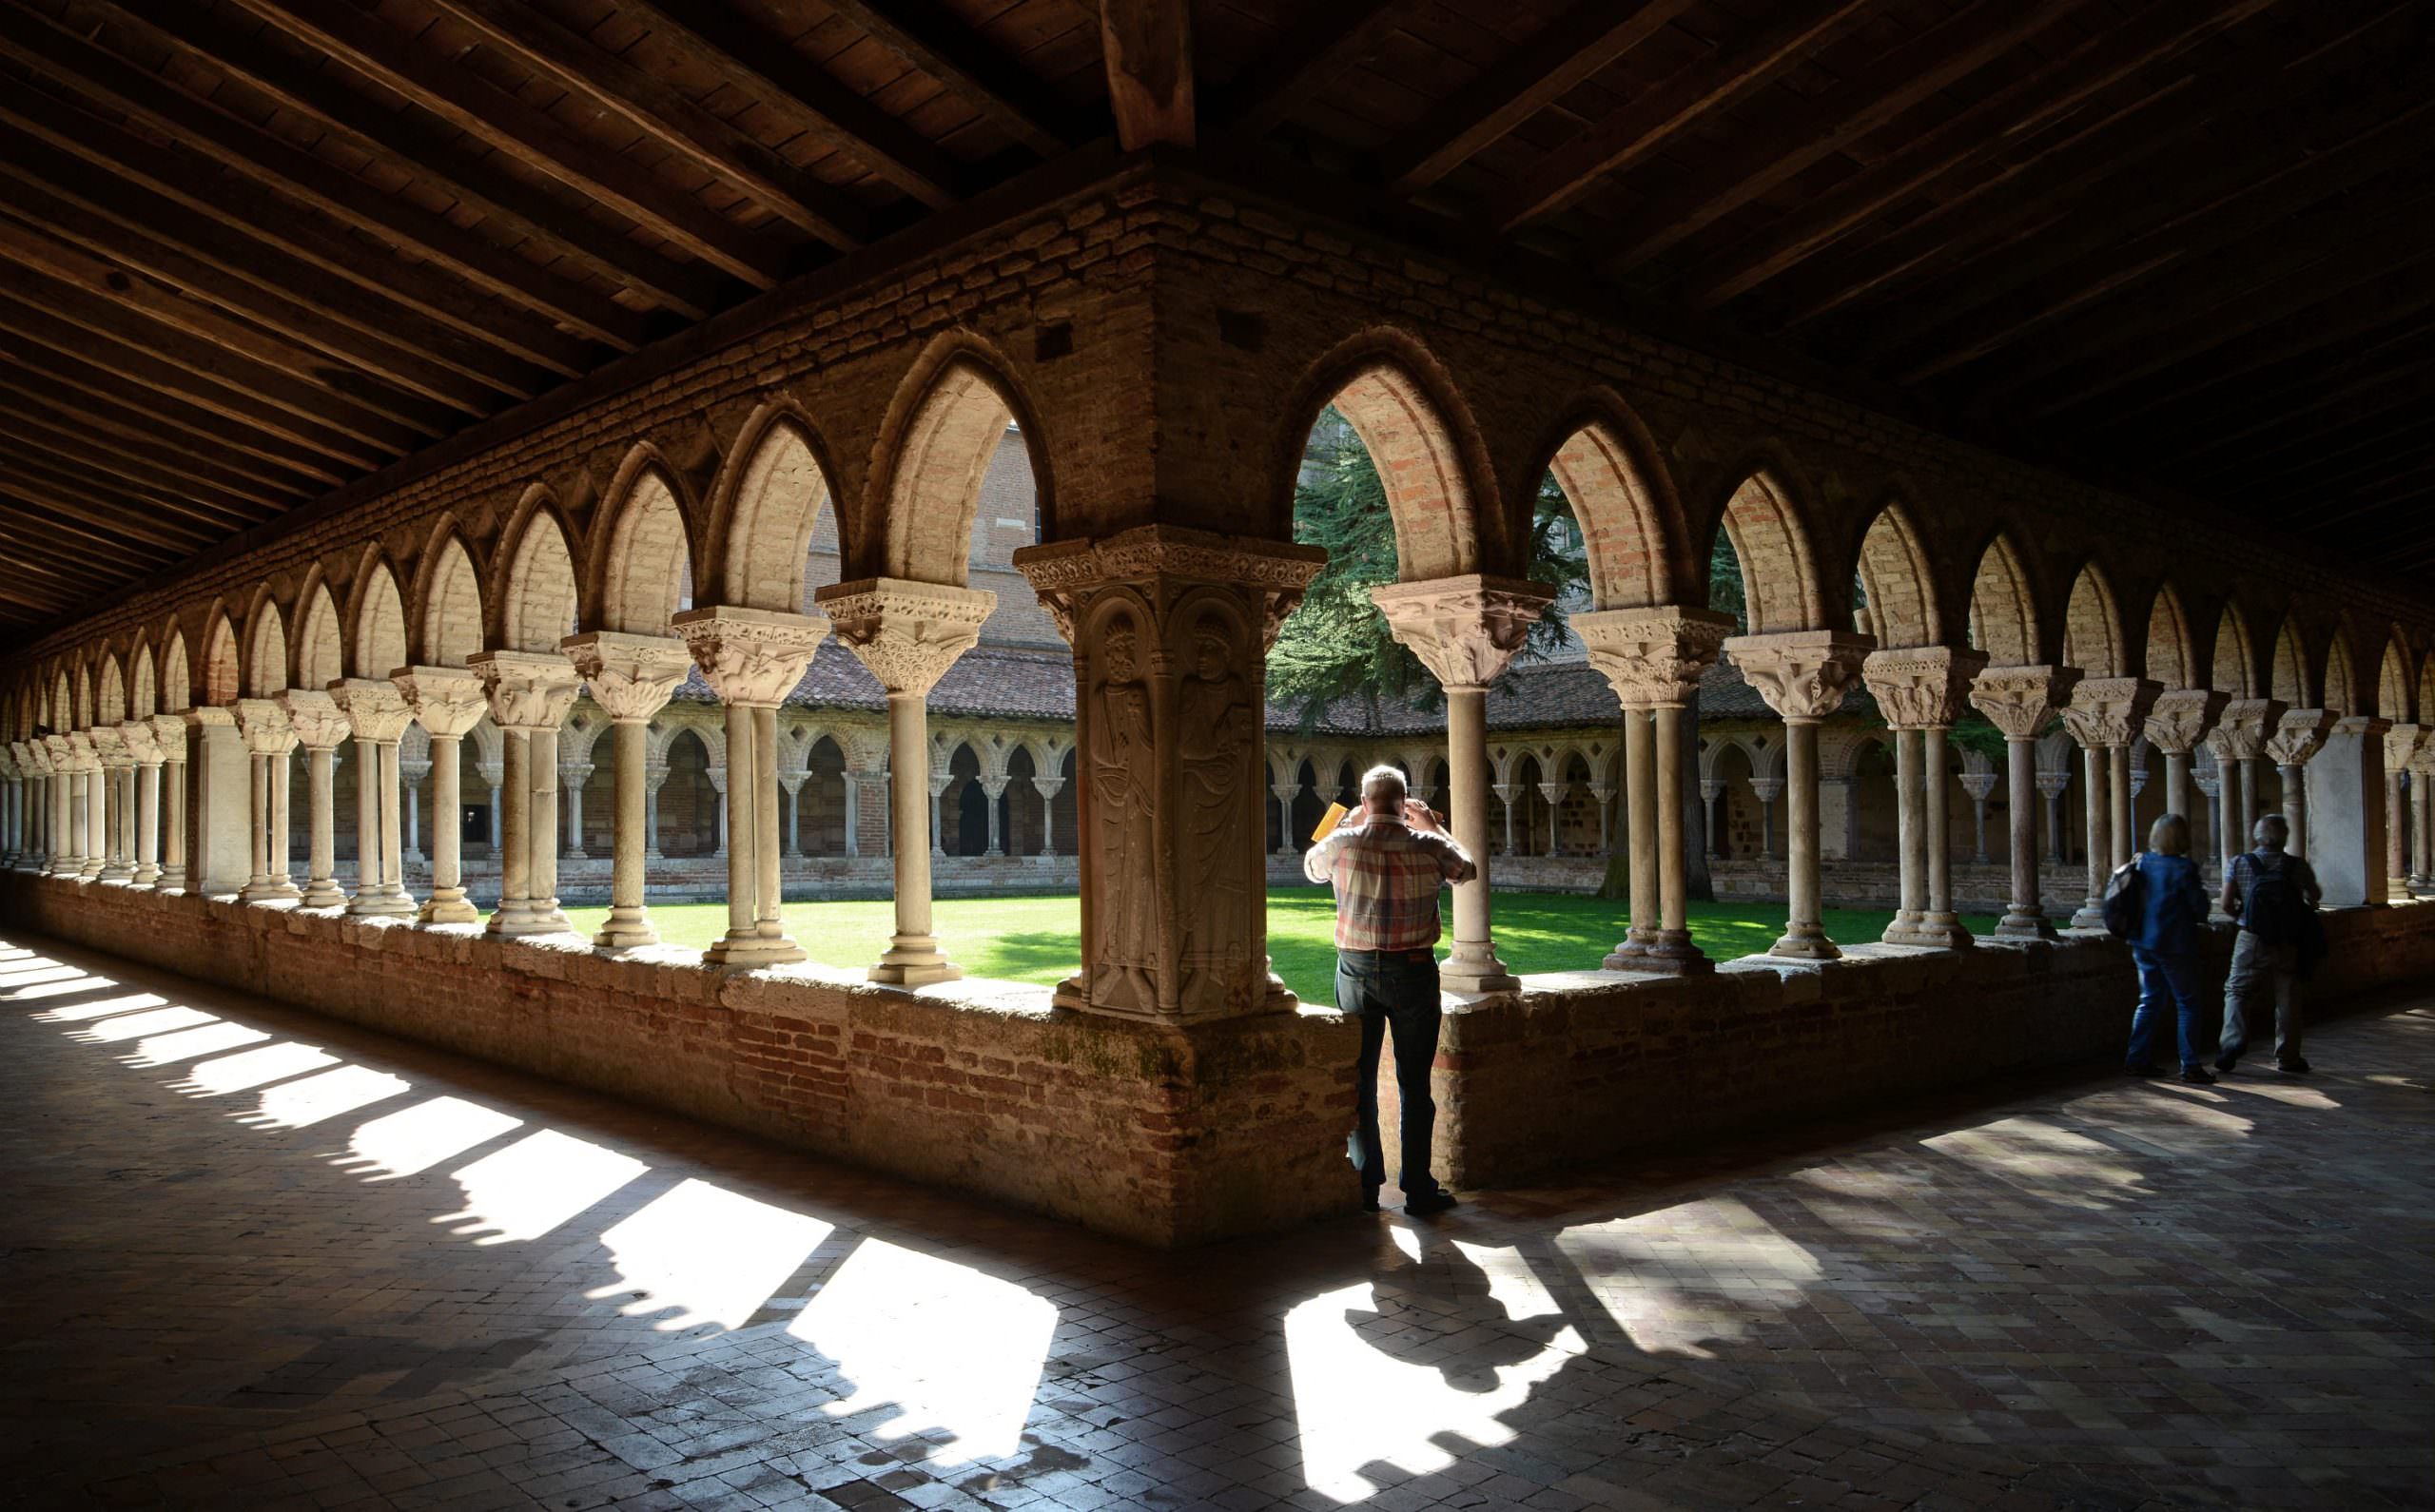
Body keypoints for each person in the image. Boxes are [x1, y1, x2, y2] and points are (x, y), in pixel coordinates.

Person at [1303, 764, 1476, 1215]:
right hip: (1414, 972)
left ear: (1365, 803)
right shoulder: (1431, 845)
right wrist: (1435, 825)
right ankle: (1418, 1188)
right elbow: (1468, 870)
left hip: (1357, 971)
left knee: (1360, 1080)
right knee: (1414, 1084)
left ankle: (1365, 1186)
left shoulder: (1342, 844)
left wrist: (1348, 826)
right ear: (1405, 803)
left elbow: (1311, 867)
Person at [2217, 813, 2321, 1075]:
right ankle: (2288, 1057)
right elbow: (2315, 896)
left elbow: (2226, 903)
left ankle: (2233, 1043)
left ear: (2257, 835)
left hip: (2251, 937)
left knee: (2238, 991)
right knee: (2287, 997)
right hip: (2288, 939)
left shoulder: (2239, 862)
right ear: (2284, 835)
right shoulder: (2296, 865)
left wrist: (2244, 917)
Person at [2122, 813, 2215, 1084]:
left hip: (2142, 942)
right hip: (2173, 944)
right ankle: (2190, 1065)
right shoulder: (2183, 868)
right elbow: (2199, 908)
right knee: (2187, 1004)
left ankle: (2136, 1059)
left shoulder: (2141, 863)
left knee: (2149, 1000)